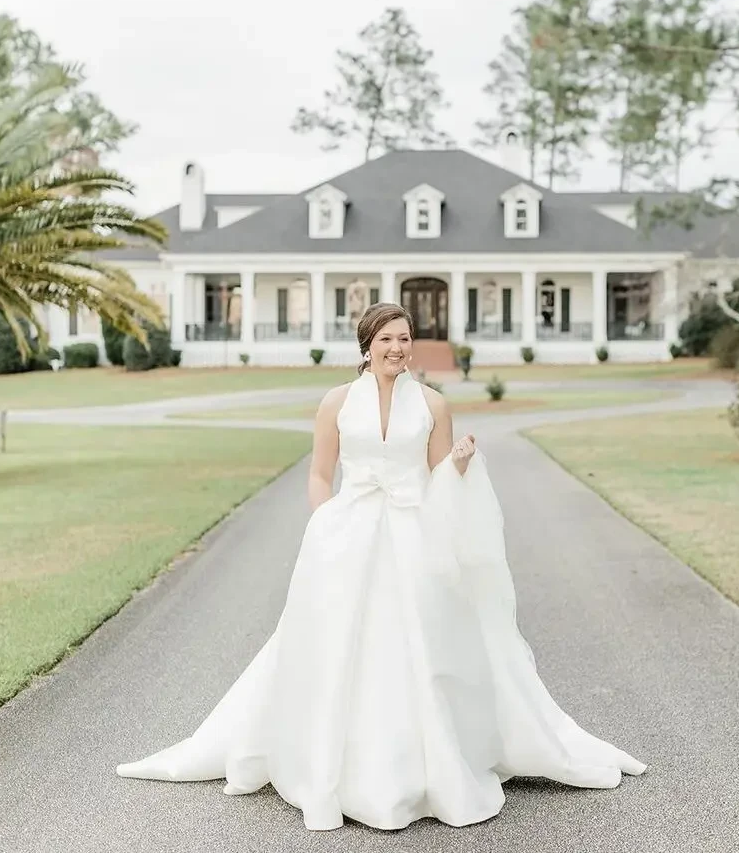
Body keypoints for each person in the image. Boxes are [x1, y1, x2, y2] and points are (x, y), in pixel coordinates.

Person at [115, 302, 647, 831]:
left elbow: (441, 479)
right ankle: (330, 759)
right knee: (339, 641)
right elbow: (321, 474)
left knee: (421, 639)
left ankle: (428, 760)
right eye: (387, 338)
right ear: (366, 345)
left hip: (415, 535)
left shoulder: (434, 404)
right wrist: (325, 526)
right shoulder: (337, 402)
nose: (398, 347)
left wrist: (460, 460)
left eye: (405, 337)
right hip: (348, 534)